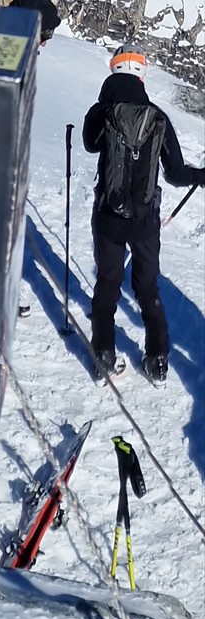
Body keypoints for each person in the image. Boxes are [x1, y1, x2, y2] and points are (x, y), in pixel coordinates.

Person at [83, 52, 205, 380]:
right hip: (146, 223)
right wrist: (201, 176)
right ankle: (157, 359)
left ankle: (104, 352)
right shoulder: (158, 118)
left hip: (108, 217)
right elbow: (176, 174)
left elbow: (90, 146)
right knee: (147, 286)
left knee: (108, 282)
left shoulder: (101, 113)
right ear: (142, 77)